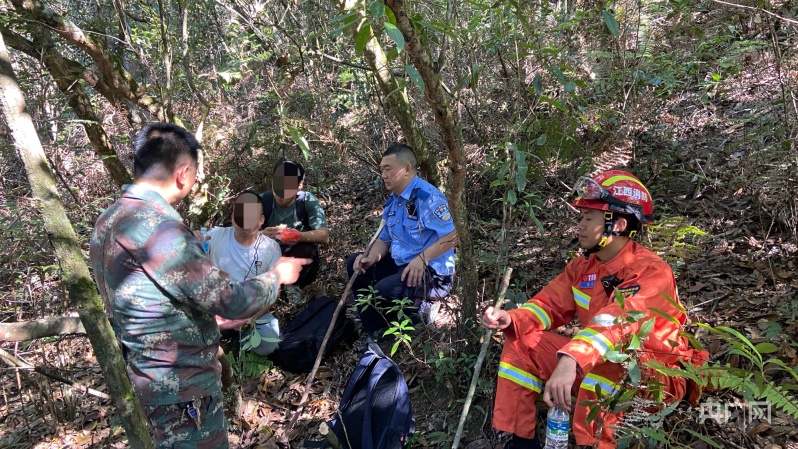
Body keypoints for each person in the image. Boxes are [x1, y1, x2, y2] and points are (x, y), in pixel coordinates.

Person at [89, 123, 309, 448]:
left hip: (145, 375)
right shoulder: (160, 231)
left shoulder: (108, 221)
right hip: (182, 384)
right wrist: (279, 275)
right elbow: (231, 301)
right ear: (183, 173)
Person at [482, 170, 707, 449]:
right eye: (581, 217)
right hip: (593, 362)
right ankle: (520, 443)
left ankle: (594, 444)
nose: (579, 226)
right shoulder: (582, 267)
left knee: (609, 364)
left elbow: (616, 325)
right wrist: (511, 318)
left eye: (588, 218)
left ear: (618, 224)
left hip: (655, 378)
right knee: (521, 344)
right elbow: (548, 304)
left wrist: (570, 360)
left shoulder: (652, 272)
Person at [346, 143, 457, 333]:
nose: (383, 175)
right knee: (355, 266)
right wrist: (371, 258)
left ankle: (422, 310)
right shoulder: (394, 201)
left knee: (384, 290)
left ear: (406, 169)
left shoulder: (428, 198)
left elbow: (454, 235)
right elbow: (385, 239)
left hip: (432, 273)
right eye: (382, 170)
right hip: (403, 265)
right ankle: (375, 330)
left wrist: (422, 259)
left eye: (388, 169)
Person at [205, 190, 283, 355]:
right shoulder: (215, 236)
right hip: (217, 307)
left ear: (261, 220)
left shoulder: (270, 248)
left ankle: (237, 339)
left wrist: (252, 319)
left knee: (269, 344)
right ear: (233, 216)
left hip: (250, 310)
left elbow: (274, 291)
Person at [261, 159, 329, 288]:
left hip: (294, 255)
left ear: (299, 186)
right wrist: (261, 234)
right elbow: (241, 235)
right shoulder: (264, 201)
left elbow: (324, 235)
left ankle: (294, 288)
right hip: (268, 254)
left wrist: (299, 236)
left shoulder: (306, 201)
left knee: (308, 250)